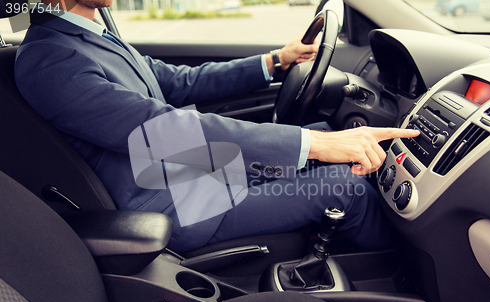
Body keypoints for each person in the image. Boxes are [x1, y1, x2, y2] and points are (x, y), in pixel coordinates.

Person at [14, 0, 419, 253]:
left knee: (322, 134)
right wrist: (312, 145)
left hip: (190, 175)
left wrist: (277, 60)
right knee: (344, 187)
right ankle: (406, 280)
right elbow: (159, 128)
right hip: (173, 202)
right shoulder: (50, 59)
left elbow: (179, 82)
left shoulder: (90, 38)